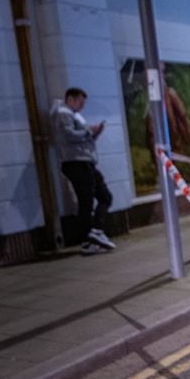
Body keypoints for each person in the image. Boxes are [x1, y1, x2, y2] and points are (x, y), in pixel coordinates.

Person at [51, 87, 116, 255]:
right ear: (70, 99)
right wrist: (89, 131)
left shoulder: (73, 115)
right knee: (87, 200)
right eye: (80, 102)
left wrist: (95, 133)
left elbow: (83, 139)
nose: (82, 106)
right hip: (77, 164)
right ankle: (91, 235)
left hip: (85, 162)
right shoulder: (63, 113)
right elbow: (69, 135)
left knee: (103, 196)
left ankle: (93, 236)